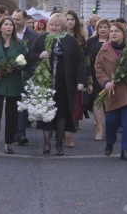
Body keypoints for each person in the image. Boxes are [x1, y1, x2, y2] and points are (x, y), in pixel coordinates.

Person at [27, 13, 86, 156]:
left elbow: (80, 61)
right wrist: (40, 56)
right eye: (51, 24)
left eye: (57, 25)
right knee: (46, 114)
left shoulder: (70, 41)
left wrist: (80, 81)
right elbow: (30, 56)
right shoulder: (41, 38)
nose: (53, 27)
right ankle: (47, 144)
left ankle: (59, 143)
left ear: (63, 26)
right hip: (46, 84)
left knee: (61, 115)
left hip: (64, 84)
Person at [95, 22, 127, 161]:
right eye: (112, 31)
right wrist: (106, 82)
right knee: (111, 122)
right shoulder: (104, 49)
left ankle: (125, 149)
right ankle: (110, 142)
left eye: (117, 31)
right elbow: (98, 68)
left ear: (123, 33)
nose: (113, 33)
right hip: (113, 90)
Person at [0, 17, 28, 156]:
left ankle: (8, 143)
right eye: (6, 24)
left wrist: (15, 68)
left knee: (11, 115)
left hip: (13, 84)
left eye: (11, 25)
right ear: (0, 27)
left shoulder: (19, 44)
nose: (9, 27)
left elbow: (24, 62)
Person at [12, 9, 39, 145]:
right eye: (14, 19)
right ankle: (12, 132)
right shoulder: (8, 32)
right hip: (10, 75)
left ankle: (21, 133)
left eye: (18, 19)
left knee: (22, 105)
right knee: (12, 105)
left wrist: (28, 72)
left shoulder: (33, 36)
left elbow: (35, 58)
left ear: (25, 19)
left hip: (26, 75)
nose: (15, 22)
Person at [65, 10, 90, 148]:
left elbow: (86, 61)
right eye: (67, 19)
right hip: (62, 75)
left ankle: (70, 135)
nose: (69, 22)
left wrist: (88, 81)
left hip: (76, 76)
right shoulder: (58, 36)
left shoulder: (80, 39)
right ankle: (61, 132)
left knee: (75, 106)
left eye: (72, 19)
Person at [87, 18, 110, 140]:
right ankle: (99, 129)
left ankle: (109, 127)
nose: (103, 29)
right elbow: (88, 62)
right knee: (98, 101)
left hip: (111, 76)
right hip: (96, 76)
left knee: (110, 101)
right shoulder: (91, 42)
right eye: (100, 27)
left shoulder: (113, 41)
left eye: (105, 27)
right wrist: (89, 80)